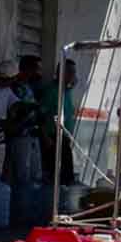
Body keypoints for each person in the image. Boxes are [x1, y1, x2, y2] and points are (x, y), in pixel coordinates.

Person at [37, 58, 79, 187]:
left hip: (64, 139)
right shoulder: (51, 91)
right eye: (71, 72)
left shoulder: (66, 91)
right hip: (52, 139)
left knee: (66, 178)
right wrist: (45, 137)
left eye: (74, 72)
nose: (73, 76)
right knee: (56, 177)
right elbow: (40, 115)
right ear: (62, 73)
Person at [5, 55, 44, 186]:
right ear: (27, 68)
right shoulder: (14, 87)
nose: (39, 73)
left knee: (34, 176)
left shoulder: (29, 87)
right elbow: (13, 112)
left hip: (31, 135)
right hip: (19, 136)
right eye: (37, 69)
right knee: (21, 176)